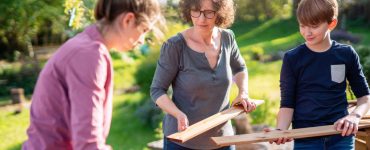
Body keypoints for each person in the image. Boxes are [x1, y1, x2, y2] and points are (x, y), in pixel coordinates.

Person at [22, 0, 164, 149]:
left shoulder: (86, 46)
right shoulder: (89, 54)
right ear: (128, 20)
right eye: (144, 30)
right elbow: (87, 144)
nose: (142, 41)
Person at [150, 0, 256, 149]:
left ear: (220, 13)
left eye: (209, 12)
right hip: (182, 141)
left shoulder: (227, 38)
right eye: (196, 11)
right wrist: (178, 114)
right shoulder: (174, 46)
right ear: (188, 10)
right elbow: (157, 90)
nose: (201, 19)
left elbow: (240, 68)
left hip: (222, 141)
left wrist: (243, 93)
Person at [266, 0, 370, 149]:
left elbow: (365, 97)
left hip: (341, 136)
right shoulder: (292, 58)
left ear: (332, 24)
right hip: (305, 138)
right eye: (302, 25)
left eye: (314, 26)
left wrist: (354, 116)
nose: (307, 32)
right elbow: (287, 104)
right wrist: (280, 131)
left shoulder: (346, 54)